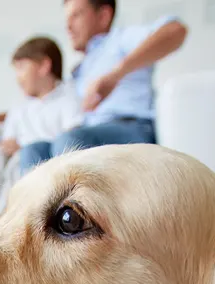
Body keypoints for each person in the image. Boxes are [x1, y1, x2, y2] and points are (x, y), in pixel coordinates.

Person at [19, 0, 188, 173]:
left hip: (131, 129)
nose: (68, 26)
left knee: (70, 141)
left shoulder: (119, 40)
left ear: (103, 16)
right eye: (67, 19)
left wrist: (116, 75)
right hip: (87, 134)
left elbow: (175, 30)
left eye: (76, 15)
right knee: (33, 150)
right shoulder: (81, 68)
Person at [0, 36, 82, 240]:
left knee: (17, 162)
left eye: (21, 67)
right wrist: (5, 146)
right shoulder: (20, 106)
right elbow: (8, 139)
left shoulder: (69, 96)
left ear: (44, 66)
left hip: (37, 156)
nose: (17, 77)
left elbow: (71, 137)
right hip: (15, 152)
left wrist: (20, 146)